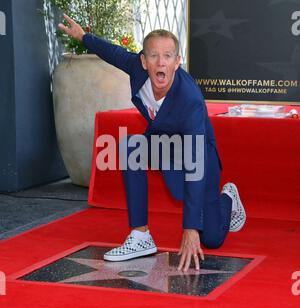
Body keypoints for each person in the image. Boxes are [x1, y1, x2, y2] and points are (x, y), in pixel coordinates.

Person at [58, 14, 246, 272]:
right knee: (129, 147)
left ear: (177, 62)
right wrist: (84, 37)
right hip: (163, 145)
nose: (161, 62)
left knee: (211, 238)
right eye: (154, 56)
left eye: (168, 56)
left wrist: (190, 228)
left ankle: (228, 199)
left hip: (199, 157)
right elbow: (114, 53)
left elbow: (195, 163)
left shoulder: (188, 99)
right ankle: (140, 235)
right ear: (144, 61)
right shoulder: (137, 68)